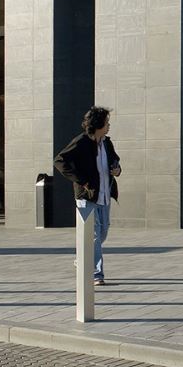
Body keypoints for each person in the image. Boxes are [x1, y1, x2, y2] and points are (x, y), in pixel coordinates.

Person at [53, 106, 121, 286]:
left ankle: (83, 258)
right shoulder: (81, 142)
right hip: (87, 196)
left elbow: (115, 159)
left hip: (105, 195)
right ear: (98, 124)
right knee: (94, 236)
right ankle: (96, 274)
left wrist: (117, 168)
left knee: (103, 232)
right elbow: (60, 161)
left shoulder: (107, 142)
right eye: (107, 122)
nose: (109, 125)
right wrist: (81, 180)